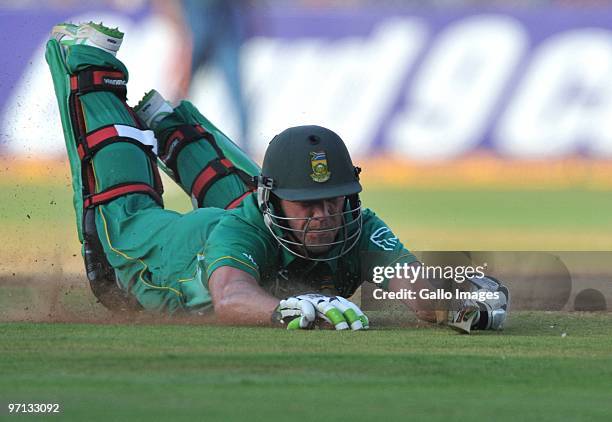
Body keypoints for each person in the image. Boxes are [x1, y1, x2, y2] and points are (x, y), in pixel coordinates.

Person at [46, 22, 508, 332]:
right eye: (308, 204)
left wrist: (460, 296)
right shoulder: (243, 227)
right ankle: (87, 65)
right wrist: (285, 307)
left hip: (247, 220)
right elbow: (229, 296)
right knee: (124, 203)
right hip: (168, 254)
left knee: (249, 191)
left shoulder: (357, 224)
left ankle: (171, 126)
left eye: (336, 199)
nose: (325, 215)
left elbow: (412, 285)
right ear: (275, 203)